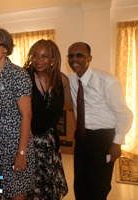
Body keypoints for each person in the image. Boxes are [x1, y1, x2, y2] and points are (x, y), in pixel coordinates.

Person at [67, 42, 133, 200]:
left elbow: (125, 114)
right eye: (71, 55)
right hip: (82, 138)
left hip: (104, 139)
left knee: (99, 186)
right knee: (80, 185)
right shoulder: (69, 79)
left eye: (79, 55)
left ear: (89, 58)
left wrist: (117, 143)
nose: (74, 58)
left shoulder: (107, 81)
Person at [0, 27, 34, 200]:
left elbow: (27, 115)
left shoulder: (18, 75)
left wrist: (21, 153)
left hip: (14, 145)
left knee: (16, 192)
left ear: (6, 47)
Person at [23, 39, 72, 200]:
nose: (39, 60)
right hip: (27, 140)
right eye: (35, 55)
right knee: (30, 188)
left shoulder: (61, 79)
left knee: (48, 188)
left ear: (53, 58)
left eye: (45, 56)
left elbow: (73, 104)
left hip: (50, 141)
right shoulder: (24, 77)